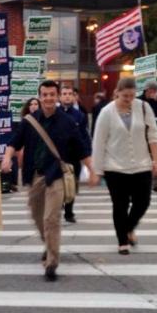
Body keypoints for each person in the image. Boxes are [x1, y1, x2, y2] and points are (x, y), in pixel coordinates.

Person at [1, 80, 93, 281]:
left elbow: (81, 148)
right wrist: (7, 158)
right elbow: (14, 142)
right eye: (45, 94)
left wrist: (92, 170)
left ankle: (52, 262)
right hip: (35, 175)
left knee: (51, 218)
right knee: (37, 216)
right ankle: (49, 244)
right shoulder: (30, 121)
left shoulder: (68, 123)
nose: (49, 98)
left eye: (52, 94)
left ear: (57, 96)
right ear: (40, 96)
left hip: (56, 175)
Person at [90, 77, 157, 255]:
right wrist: (96, 171)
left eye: (132, 95)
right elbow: (99, 142)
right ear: (117, 93)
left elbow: (153, 135)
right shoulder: (107, 112)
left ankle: (128, 228)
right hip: (115, 167)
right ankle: (122, 240)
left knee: (143, 202)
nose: (129, 99)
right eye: (125, 96)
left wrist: (156, 160)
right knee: (120, 205)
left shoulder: (144, 107)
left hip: (141, 164)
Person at [60, 85, 92, 223]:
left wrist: (87, 155)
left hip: (74, 156)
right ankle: (57, 206)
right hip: (58, 156)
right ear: (60, 96)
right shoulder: (54, 113)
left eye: (70, 94)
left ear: (74, 97)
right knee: (57, 185)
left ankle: (69, 212)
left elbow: (84, 136)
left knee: (72, 185)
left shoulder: (80, 115)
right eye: (64, 93)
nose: (67, 96)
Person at [138, 81, 157, 192]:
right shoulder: (140, 101)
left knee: (156, 158)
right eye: (152, 90)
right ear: (147, 90)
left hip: (153, 131)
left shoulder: (156, 101)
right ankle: (143, 183)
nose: (153, 93)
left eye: (155, 91)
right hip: (141, 131)